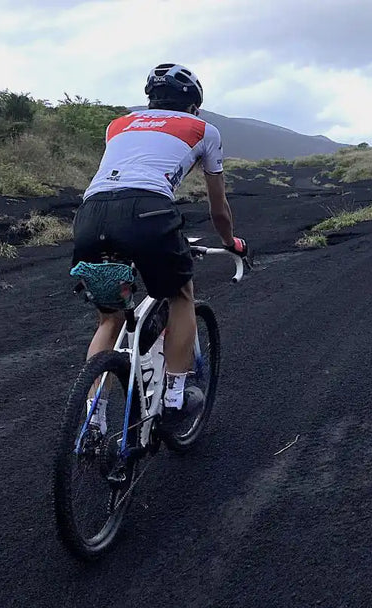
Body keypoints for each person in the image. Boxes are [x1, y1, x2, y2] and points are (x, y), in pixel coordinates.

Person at [72, 63, 248, 424]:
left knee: (109, 318)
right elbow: (218, 208)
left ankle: (93, 418)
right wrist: (230, 241)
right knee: (180, 295)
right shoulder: (203, 129)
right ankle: (174, 397)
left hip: (90, 214)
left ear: (151, 100)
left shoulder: (118, 125)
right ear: (194, 106)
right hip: (148, 212)